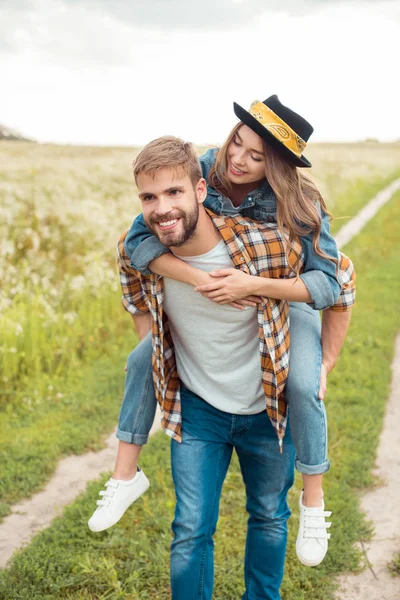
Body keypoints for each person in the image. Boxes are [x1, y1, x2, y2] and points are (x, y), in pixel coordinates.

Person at [88, 97, 355, 571]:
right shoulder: (204, 169)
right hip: (228, 307)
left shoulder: (300, 202)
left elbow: (329, 283)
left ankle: (313, 503)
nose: (237, 159)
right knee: (142, 357)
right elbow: (137, 242)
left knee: (303, 385)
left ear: (277, 166)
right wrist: (197, 279)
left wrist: (255, 286)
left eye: (256, 157)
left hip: (287, 299)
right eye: (238, 141)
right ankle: (125, 474)